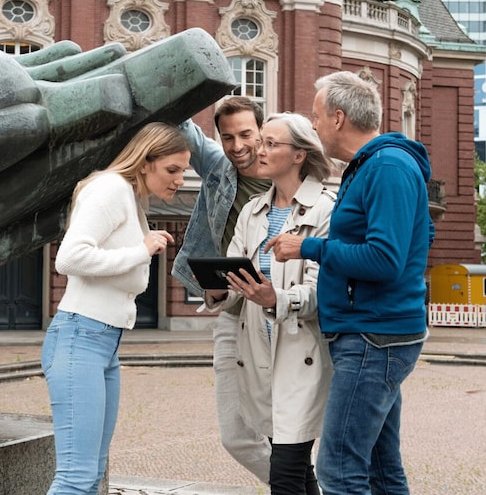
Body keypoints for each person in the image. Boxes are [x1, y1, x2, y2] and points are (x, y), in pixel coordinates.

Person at [266, 71, 435, 495]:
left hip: (374, 337)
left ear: (338, 118)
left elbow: (384, 259)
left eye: (317, 115)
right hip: (375, 332)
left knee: (339, 469)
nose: (314, 123)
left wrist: (309, 248)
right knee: (380, 469)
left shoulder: (387, 166)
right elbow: (421, 236)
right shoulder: (372, 167)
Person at [42, 122, 191, 495]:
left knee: (92, 475)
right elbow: (69, 257)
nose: (179, 180)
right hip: (80, 338)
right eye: (172, 170)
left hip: (103, 345)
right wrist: (141, 251)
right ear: (145, 162)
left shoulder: (131, 199)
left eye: (184, 171)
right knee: (76, 477)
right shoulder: (111, 189)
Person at [202, 113, 335, 495]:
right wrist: (216, 291)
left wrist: (276, 298)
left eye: (270, 143)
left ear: (298, 155)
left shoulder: (326, 210)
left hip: (300, 351)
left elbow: (320, 291)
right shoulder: (252, 211)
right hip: (257, 350)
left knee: (286, 470)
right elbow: (234, 281)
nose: (260, 149)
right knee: (291, 465)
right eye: (263, 141)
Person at [171, 97, 273, 483]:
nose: (237, 146)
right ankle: (300, 486)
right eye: (227, 137)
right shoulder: (218, 166)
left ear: (261, 131)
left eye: (246, 134)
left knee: (290, 429)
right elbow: (185, 129)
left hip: (285, 312)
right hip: (234, 313)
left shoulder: (289, 173)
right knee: (235, 434)